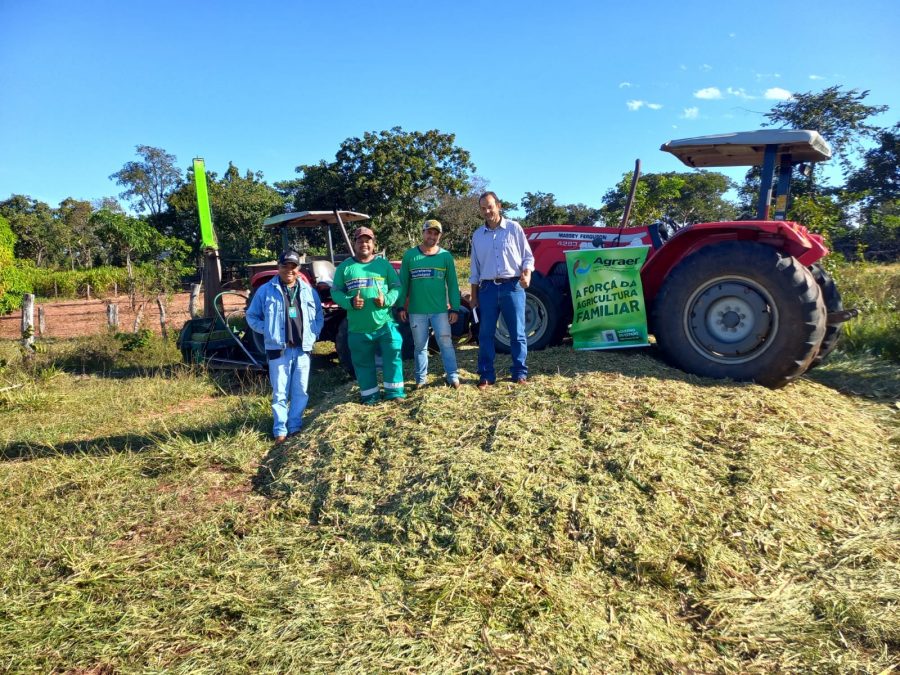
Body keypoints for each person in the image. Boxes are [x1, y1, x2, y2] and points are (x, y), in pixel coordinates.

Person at [246, 250, 324, 443]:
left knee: (300, 390)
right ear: (278, 267)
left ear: (298, 269)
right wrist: (268, 330)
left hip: (302, 349)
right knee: (280, 391)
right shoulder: (265, 290)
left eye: (293, 266)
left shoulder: (308, 290)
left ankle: (295, 426)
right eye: (285, 266)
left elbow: (319, 316)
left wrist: (314, 333)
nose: (289, 270)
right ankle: (280, 429)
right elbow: (251, 316)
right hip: (278, 349)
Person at [331, 226, 406, 404]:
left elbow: (397, 287)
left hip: (385, 324)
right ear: (355, 244)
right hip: (358, 328)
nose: (364, 244)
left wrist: (387, 300)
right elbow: (336, 292)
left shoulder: (383, 265)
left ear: (373, 244)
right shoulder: (345, 268)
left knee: (393, 357)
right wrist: (349, 302)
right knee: (363, 364)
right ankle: (370, 397)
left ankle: (395, 393)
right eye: (360, 240)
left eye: (368, 240)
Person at [469, 191, 535, 388]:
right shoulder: (478, 235)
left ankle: (519, 373)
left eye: (490, 206)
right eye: (483, 208)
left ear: (498, 205)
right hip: (487, 288)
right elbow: (475, 268)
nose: (487, 211)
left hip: (512, 286)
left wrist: (527, 273)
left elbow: (527, 257)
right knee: (485, 334)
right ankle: (486, 375)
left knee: (517, 333)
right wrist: (474, 296)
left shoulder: (514, 228)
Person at [397, 219, 461, 389]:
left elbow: (453, 284)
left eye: (436, 233)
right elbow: (403, 283)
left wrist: (455, 307)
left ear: (439, 236)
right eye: (429, 232)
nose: (432, 236)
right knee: (420, 347)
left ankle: (453, 376)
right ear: (423, 233)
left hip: (440, 311)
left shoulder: (445, 256)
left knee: (446, 343)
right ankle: (421, 379)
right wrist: (401, 305)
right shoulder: (410, 255)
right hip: (417, 311)